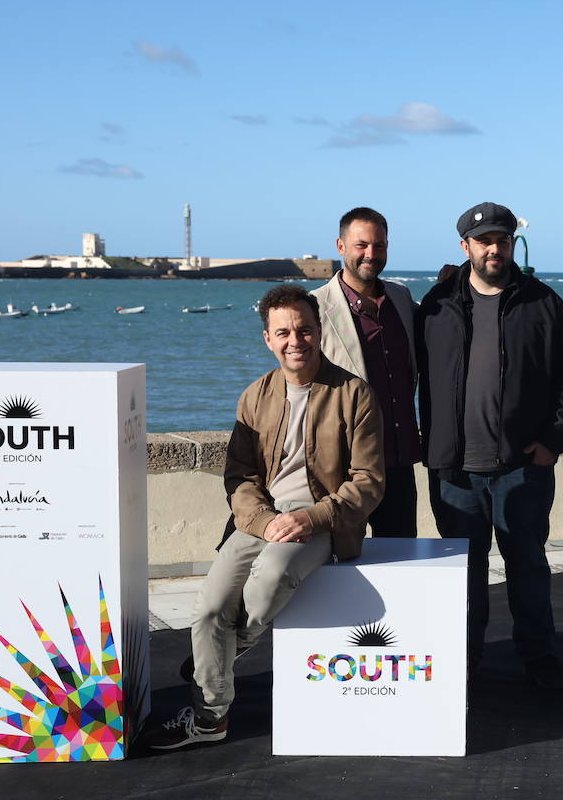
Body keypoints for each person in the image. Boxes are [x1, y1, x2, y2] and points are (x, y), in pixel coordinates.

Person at [145, 284, 384, 749]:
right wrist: (263, 519)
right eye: (284, 332)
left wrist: (312, 517)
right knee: (209, 609)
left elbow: (368, 480)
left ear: (319, 332)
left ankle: (215, 668)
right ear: (268, 339)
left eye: (304, 330)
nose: (296, 340)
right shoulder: (255, 396)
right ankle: (212, 720)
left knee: (270, 580)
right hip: (260, 518)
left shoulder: (354, 394)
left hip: (323, 523)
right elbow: (239, 476)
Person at [416, 201, 563, 690]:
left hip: (522, 466)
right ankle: (465, 661)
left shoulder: (543, 302)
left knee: (528, 566)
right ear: (465, 246)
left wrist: (552, 440)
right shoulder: (437, 304)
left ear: (513, 244)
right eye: (484, 241)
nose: (494, 249)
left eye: (502, 240)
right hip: (455, 470)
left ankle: (539, 658)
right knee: (464, 575)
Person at [310, 207, 421, 538]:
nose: (371, 254)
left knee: (401, 554)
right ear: (341, 246)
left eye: (379, 245)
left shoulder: (401, 298)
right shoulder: (315, 307)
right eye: (361, 245)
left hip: (398, 460)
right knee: (340, 557)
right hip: (344, 466)